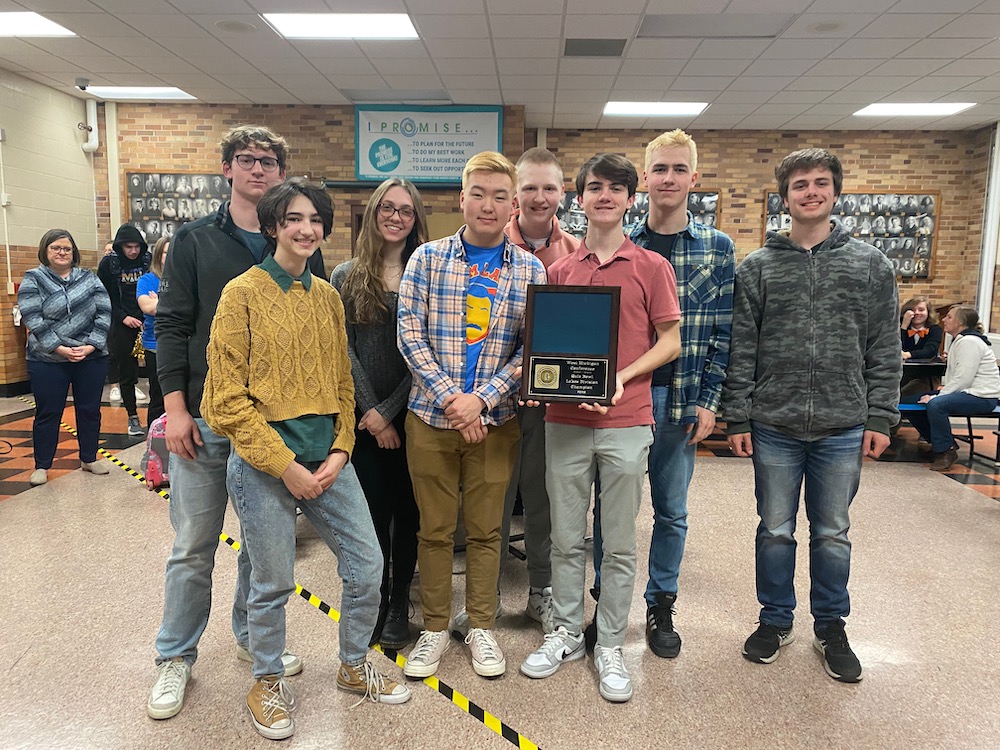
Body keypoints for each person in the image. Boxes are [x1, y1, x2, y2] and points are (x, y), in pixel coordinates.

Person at [203, 178, 409, 741]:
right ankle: (266, 679)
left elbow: (343, 384)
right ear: (272, 226)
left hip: (328, 461)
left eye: (315, 220)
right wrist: (283, 464)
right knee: (271, 582)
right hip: (265, 464)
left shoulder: (325, 298)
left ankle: (352, 663)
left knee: (367, 564)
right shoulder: (240, 295)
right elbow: (223, 401)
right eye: (293, 218)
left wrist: (343, 447)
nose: (305, 229)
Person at [148, 124, 324, 720]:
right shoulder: (195, 241)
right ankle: (175, 656)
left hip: (273, 430)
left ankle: (252, 635)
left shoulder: (302, 240)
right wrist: (174, 410)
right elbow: (171, 326)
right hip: (204, 418)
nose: (258, 170)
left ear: (281, 171)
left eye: (270, 161)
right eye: (247, 160)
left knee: (262, 544)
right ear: (227, 168)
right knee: (194, 543)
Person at [721, 147, 900, 684]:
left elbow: (884, 347)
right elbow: (741, 349)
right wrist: (737, 417)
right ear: (785, 197)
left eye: (821, 183)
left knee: (832, 532)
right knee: (775, 530)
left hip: (844, 425)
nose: (811, 192)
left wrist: (881, 417)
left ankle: (831, 625)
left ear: (836, 193)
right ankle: (775, 620)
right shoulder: (757, 267)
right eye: (800, 185)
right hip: (772, 424)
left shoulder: (872, 265)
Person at [519, 153, 681, 704]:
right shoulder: (559, 273)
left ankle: (609, 640)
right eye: (595, 187)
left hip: (627, 421)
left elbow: (670, 341)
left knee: (616, 543)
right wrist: (538, 381)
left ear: (630, 199)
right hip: (562, 422)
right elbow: (543, 347)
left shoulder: (652, 267)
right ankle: (564, 631)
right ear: (580, 198)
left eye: (616, 188)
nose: (605, 196)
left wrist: (620, 377)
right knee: (566, 537)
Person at [397, 151, 546, 680]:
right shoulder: (427, 259)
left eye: (500, 196)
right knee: (434, 530)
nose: (489, 204)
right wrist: (452, 400)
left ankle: (480, 624)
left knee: (487, 531)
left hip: (496, 422)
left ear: (513, 205)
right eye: (478, 193)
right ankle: (436, 626)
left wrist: (480, 400)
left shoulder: (531, 268)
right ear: (461, 199)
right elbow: (409, 336)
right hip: (430, 419)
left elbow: (532, 349)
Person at [587, 130, 735, 659]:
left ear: (694, 179)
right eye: (659, 170)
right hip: (623, 403)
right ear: (643, 181)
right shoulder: (621, 246)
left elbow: (723, 333)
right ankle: (606, 602)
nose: (668, 179)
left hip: (681, 400)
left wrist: (712, 400)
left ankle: (660, 604)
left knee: (671, 511)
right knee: (612, 511)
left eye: (679, 170)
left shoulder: (718, 248)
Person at [330, 178, 428, 650]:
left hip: (417, 415)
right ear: (373, 213)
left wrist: (391, 412)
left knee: (407, 516)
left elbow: (430, 353)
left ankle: (400, 603)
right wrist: (370, 412)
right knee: (370, 517)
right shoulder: (345, 276)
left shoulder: (427, 271)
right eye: (387, 208)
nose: (396, 217)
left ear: (416, 220)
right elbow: (340, 351)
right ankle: (375, 597)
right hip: (363, 422)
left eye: (406, 211)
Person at [490, 148, 580, 636]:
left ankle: (541, 591)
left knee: (546, 500)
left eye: (548, 188)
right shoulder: (487, 246)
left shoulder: (577, 254)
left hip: (553, 406)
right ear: (515, 193)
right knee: (492, 498)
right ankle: (486, 596)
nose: (539, 197)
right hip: (495, 400)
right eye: (529, 188)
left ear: (562, 193)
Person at [18, 230, 112, 486]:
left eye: (66, 249)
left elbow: (104, 312)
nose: (61, 252)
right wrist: (58, 347)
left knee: (90, 410)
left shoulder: (89, 279)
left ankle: (89, 457)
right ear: (45, 251)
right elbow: (32, 317)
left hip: (90, 357)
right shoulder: (33, 279)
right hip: (46, 359)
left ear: (74, 253)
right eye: (55, 248)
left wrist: (92, 345)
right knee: (48, 412)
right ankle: (42, 465)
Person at [904, 305, 1000, 471]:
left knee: (937, 405)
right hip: (967, 392)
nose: (943, 320)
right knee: (909, 403)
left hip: (982, 396)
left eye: (948, 317)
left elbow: (963, 379)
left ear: (960, 322)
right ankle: (941, 444)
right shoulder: (961, 340)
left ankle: (945, 451)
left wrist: (937, 396)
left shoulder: (969, 342)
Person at [97, 224, 151, 438]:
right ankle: (132, 417)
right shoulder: (109, 264)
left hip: (148, 319)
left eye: (137, 246)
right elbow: (104, 296)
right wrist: (122, 317)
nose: (133, 251)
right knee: (127, 371)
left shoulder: (147, 261)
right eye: (129, 247)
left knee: (157, 370)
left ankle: (158, 417)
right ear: (120, 246)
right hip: (122, 322)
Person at [136, 238, 169, 425]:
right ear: (158, 255)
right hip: (155, 345)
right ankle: (154, 445)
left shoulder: (186, 277)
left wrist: (160, 300)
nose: (170, 256)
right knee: (158, 397)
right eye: (165, 253)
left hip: (184, 344)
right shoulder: (147, 280)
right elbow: (148, 307)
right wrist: (173, 302)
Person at [899, 296, 943, 398]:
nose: (917, 313)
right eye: (913, 310)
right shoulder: (900, 327)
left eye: (921, 310)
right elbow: (896, 346)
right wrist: (904, 326)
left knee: (906, 394)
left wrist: (907, 354)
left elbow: (930, 350)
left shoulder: (935, 330)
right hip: (902, 374)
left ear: (928, 312)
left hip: (925, 375)